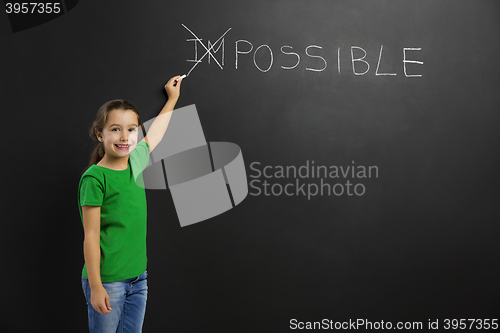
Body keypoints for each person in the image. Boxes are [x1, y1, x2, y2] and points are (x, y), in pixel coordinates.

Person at [78, 75, 183, 333]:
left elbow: (155, 134)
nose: (125, 136)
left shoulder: (135, 161)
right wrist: (95, 286)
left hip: (139, 279)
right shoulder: (95, 178)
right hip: (108, 281)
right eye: (115, 129)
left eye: (131, 129)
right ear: (99, 134)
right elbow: (90, 236)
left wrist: (172, 99)